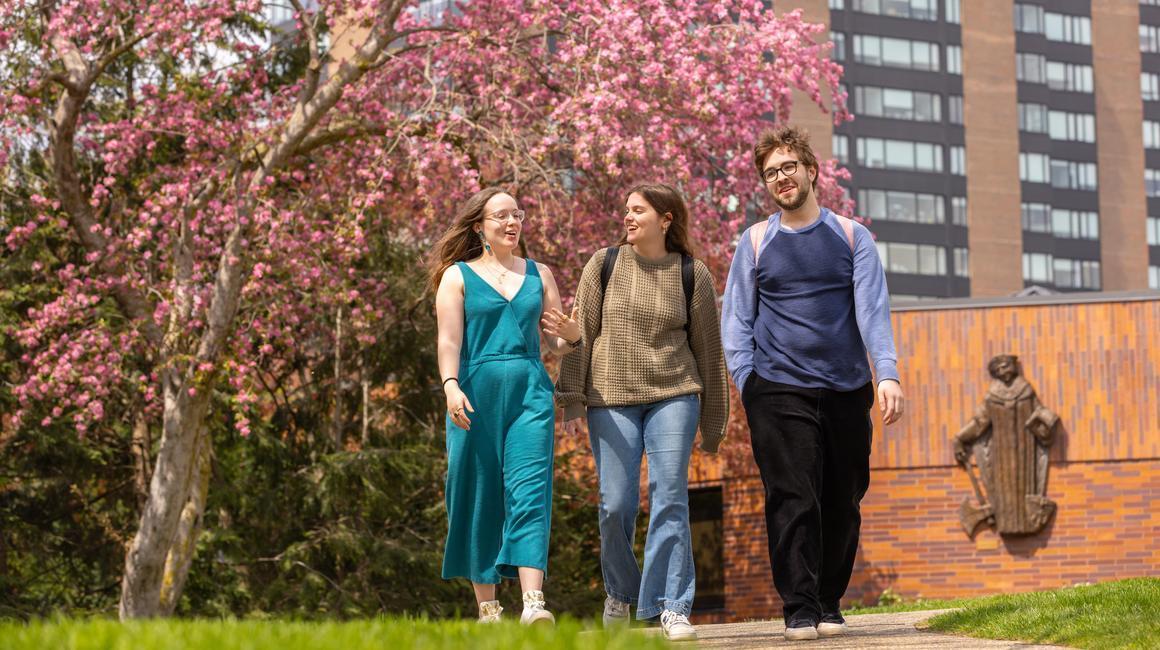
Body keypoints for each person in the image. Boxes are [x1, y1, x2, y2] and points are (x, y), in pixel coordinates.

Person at [720, 126, 905, 641]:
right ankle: (799, 606)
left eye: (787, 167)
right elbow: (735, 317)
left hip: (846, 388)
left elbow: (872, 311)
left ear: (810, 171)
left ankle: (828, 598)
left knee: (843, 497)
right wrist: (746, 380)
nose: (780, 178)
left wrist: (885, 372)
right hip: (776, 387)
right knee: (792, 495)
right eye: (770, 172)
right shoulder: (756, 241)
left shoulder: (851, 236)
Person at [556, 183, 729, 642]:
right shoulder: (604, 264)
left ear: (666, 218)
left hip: (674, 393)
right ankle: (622, 593)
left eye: (638, 210)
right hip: (611, 396)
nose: (627, 217)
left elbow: (709, 354)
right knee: (616, 504)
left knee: (670, 495)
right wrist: (572, 395)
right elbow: (582, 332)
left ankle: (671, 606)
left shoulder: (692, 273)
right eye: (626, 210)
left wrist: (714, 423)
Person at [429, 187, 581, 624]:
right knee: (476, 494)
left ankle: (534, 604)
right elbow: (448, 340)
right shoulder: (456, 277)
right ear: (480, 226)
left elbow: (555, 343)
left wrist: (570, 335)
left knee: (531, 491)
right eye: (502, 216)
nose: (513, 223)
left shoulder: (541, 274)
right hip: (473, 396)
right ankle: (488, 608)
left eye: (519, 214)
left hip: (530, 394)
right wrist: (450, 385)